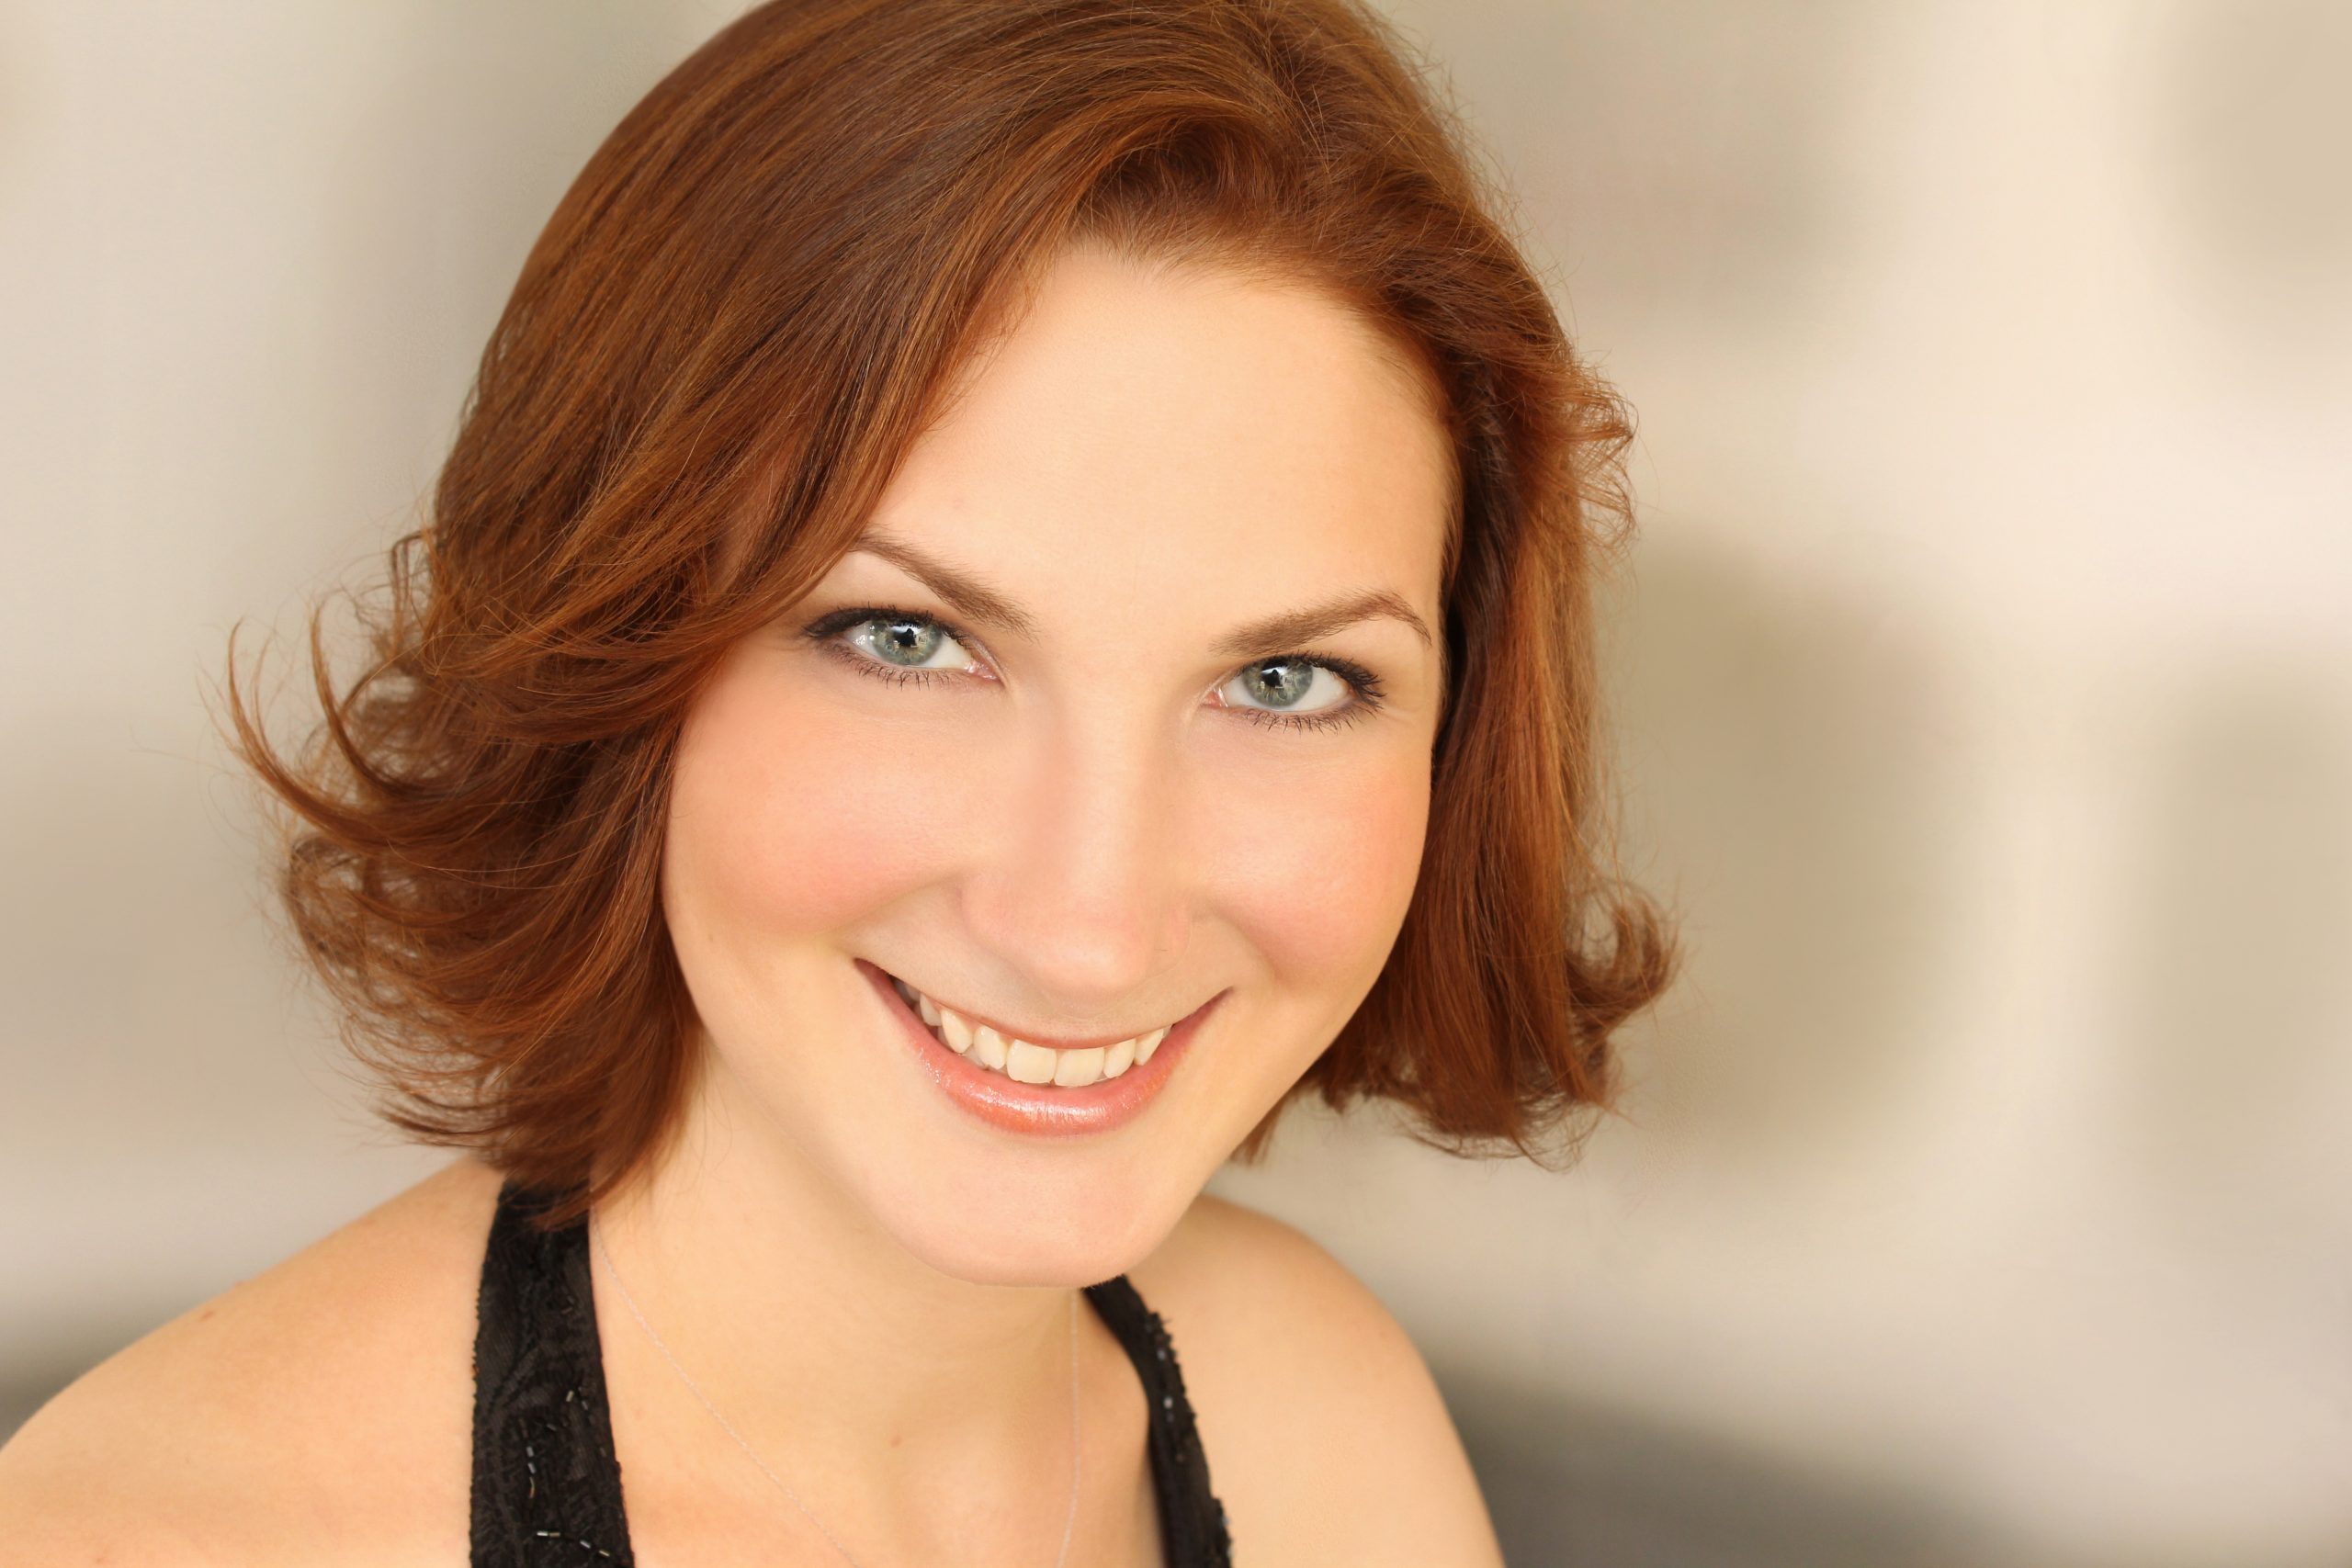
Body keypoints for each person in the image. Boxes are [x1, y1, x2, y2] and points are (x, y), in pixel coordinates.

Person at [0, 0, 1678, 1561]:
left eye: (1285, 681)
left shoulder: (1314, 1414)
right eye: (907, 641)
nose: (1088, 929)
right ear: (616, 651)